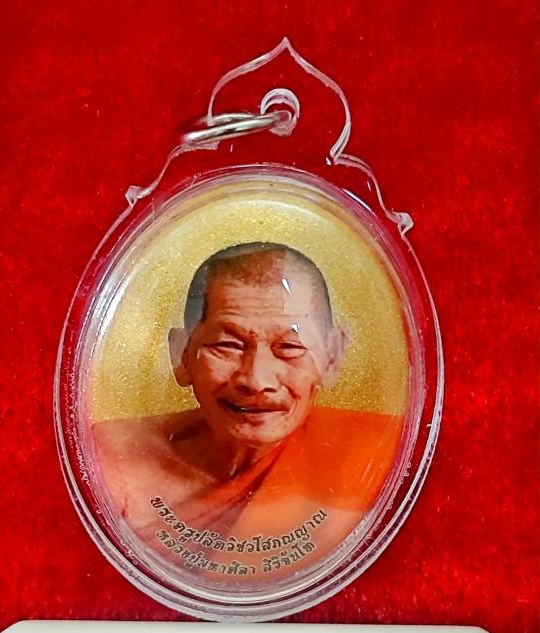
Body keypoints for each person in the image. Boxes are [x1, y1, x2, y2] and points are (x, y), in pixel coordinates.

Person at [93, 242, 404, 577]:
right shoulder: (113, 463)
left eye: (289, 347)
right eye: (227, 345)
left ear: (332, 355)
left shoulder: (383, 456)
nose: (257, 380)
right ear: (182, 355)